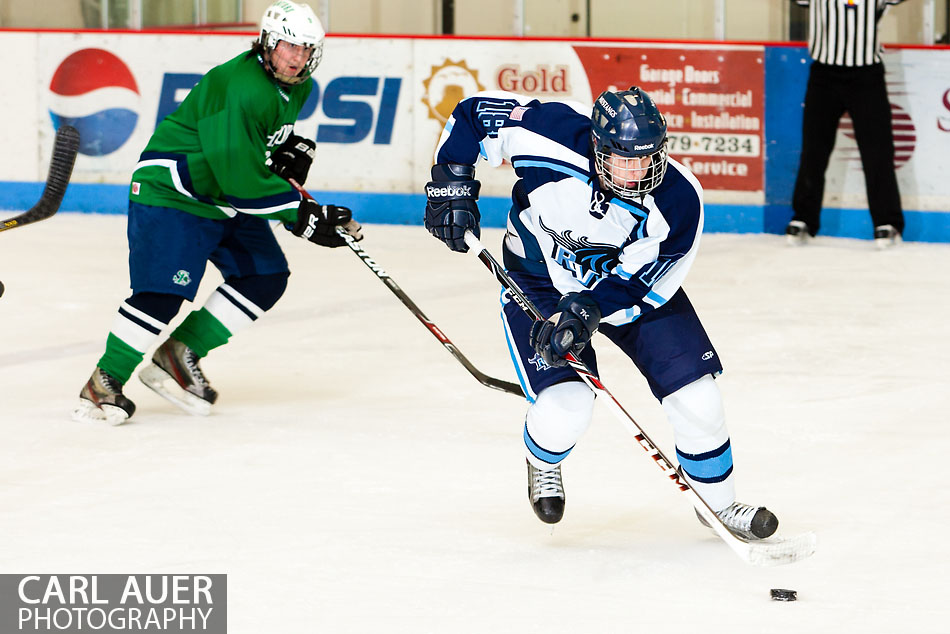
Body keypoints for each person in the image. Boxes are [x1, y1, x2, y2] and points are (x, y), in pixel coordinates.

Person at [423, 87, 778, 541]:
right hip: (540, 281)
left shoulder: (678, 200)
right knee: (567, 406)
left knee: (698, 398)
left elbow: (641, 283)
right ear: (597, 146)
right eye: (624, 159)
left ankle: (720, 505)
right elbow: (474, 114)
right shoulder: (544, 133)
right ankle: (543, 462)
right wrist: (451, 185)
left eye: (648, 159)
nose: (638, 173)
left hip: (623, 293)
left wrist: (587, 309)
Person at [73, 0, 362, 425]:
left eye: (305, 49)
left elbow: (247, 158)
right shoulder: (240, 86)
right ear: (267, 41)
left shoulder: (297, 85)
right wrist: (302, 215)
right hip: (173, 191)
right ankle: (103, 384)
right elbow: (240, 180)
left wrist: (281, 157)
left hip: (220, 192)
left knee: (264, 275)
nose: (296, 58)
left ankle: (178, 354)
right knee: (162, 294)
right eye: (288, 47)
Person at [786, 0, 907, 249]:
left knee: (877, 151)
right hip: (824, 75)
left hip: (866, 76)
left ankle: (887, 222)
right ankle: (804, 217)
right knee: (814, 150)